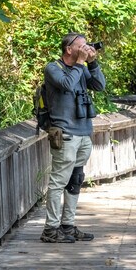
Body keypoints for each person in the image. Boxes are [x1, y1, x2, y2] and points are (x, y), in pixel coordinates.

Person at [40, 32, 106, 243]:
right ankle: (50, 229)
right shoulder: (53, 68)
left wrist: (93, 64)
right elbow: (67, 85)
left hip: (83, 132)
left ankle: (67, 226)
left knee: (75, 179)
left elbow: (99, 86)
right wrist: (80, 63)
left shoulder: (82, 69)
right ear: (69, 49)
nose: (86, 49)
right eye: (82, 46)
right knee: (58, 181)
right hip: (65, 133)